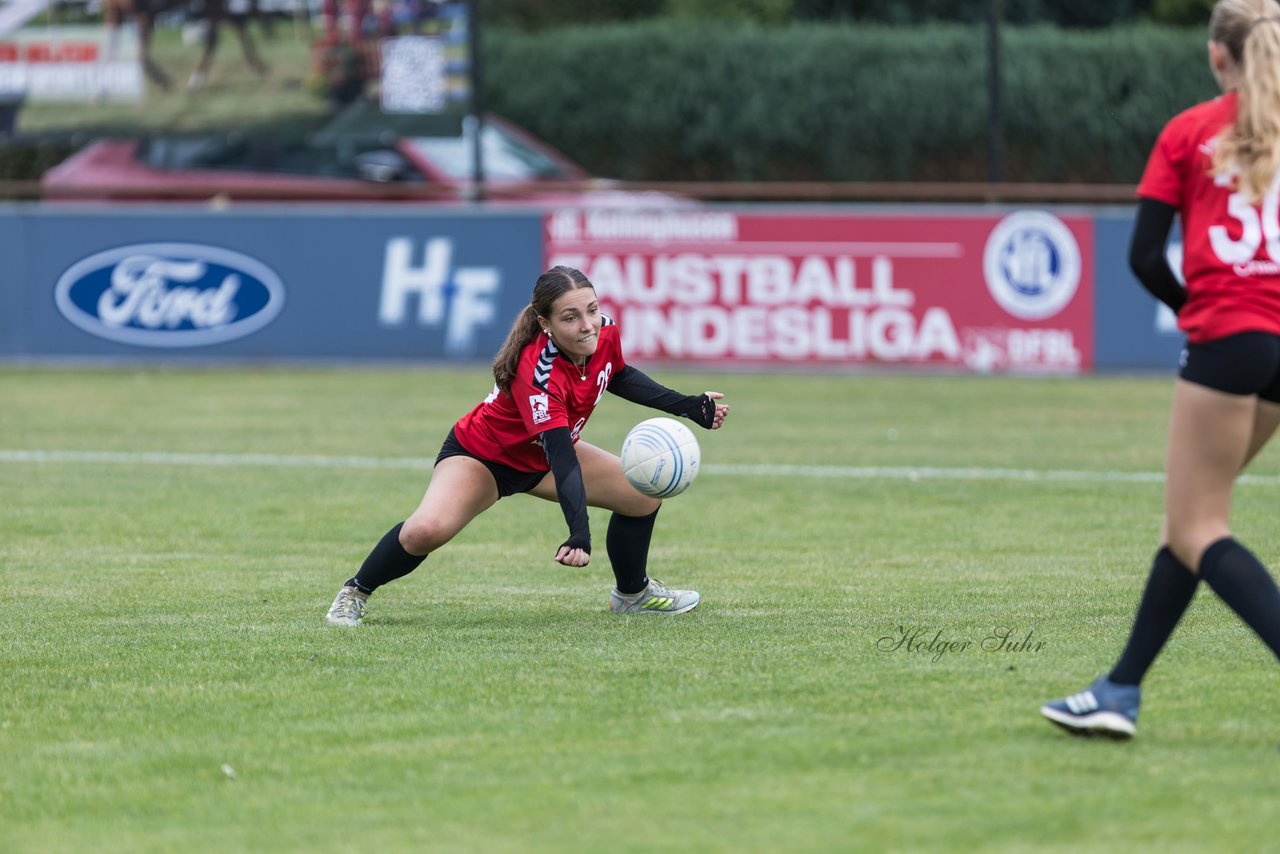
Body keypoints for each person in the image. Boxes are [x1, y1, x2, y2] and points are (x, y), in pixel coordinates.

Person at [1041, 0, 1280, 738]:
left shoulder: (1189, 130)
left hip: (1230, 339)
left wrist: (1193, 308)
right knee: (1190, 522)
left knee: (1199, 525)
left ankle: (1119, 691)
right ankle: (1119, 689)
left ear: (1218, 56)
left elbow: (1144, 256)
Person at [325, 265, 730, 626]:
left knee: (640, 497)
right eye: (570, 317)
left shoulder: (603, 330)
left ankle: (633, 596)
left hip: (544, 457)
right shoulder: (537, 372)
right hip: (483, 456)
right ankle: (355, 592)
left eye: (591, 309)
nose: (588, 324)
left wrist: (690, 407)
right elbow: (561, 456)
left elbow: (618, 374)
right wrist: (578, 533)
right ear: (546, 323)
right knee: (425, 531)